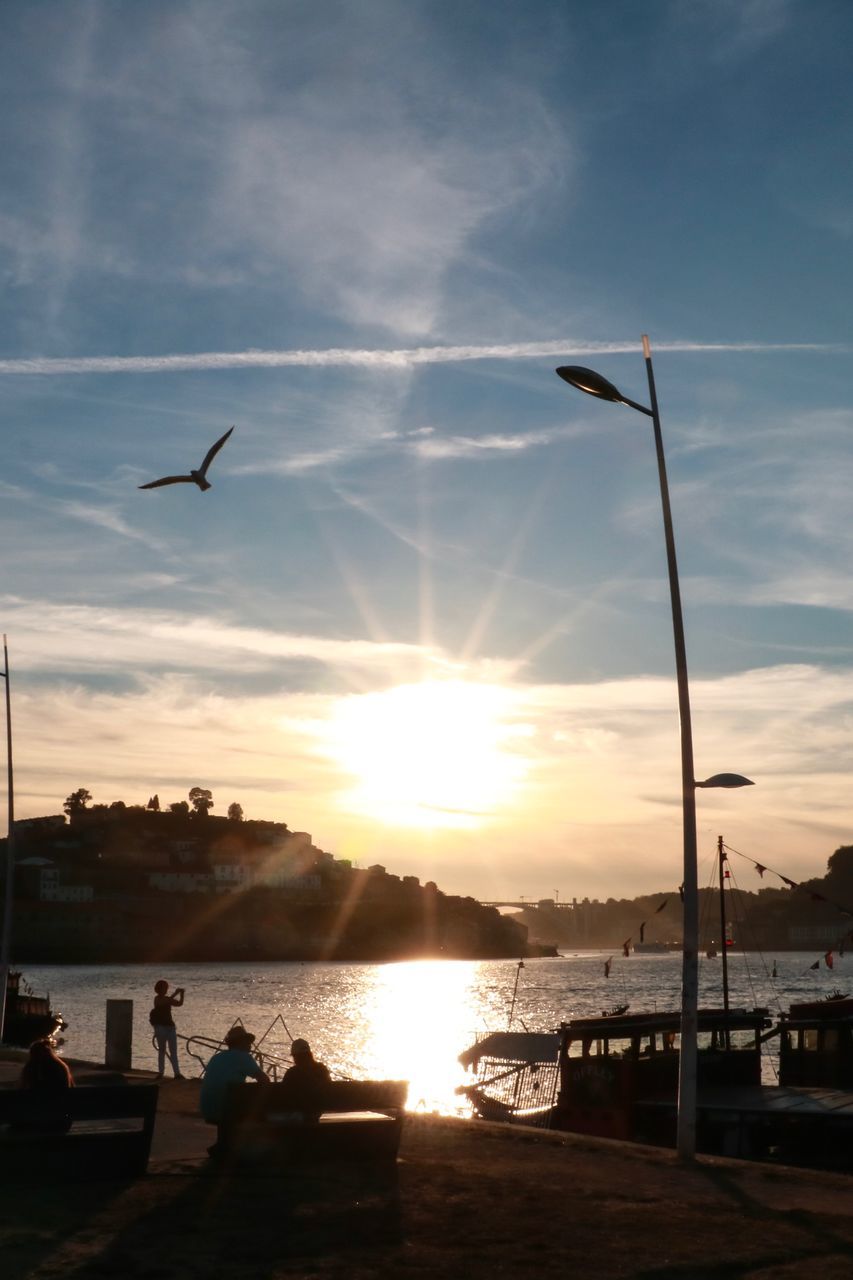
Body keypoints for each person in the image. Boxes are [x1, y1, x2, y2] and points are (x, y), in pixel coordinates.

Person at [200, 1026, 269, 1154]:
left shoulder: (217, 1057)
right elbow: (264, 1080)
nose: (250, 1046)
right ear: (241, 1043)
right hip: (227, 1109)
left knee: (229, 1096)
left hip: (207, 1107)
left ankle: (223, 1143)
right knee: (257, 1100)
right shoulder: (243, 1057)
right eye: (248, 1042)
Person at [18, 1038, 75, 1132]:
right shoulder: (61, 1067)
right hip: (63, 1122)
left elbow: (23, 1091)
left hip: (41, 1122)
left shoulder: (32, 1068)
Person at [282, 1038, 332, 1122]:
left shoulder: (292, 1073)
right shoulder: (322, 1069)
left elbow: (284, 1095)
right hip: (318, 1110)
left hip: (299, 1113)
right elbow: (329, 1087)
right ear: (310, 1054)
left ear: (295, 1056)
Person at [150, 979, 185, 1079]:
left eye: (166, 988)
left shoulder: (167, 999)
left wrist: (181, 994)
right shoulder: (157, 999)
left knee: (173, 1051)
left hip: (170, 1027)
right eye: (164, 988)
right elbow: (166, 1002)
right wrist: (176, 993)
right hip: (160, 1028)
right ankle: (161, 1072)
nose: (165, 990)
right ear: (159, 989)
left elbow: (179, 1004)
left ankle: (177, 1073)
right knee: (162, 1050)